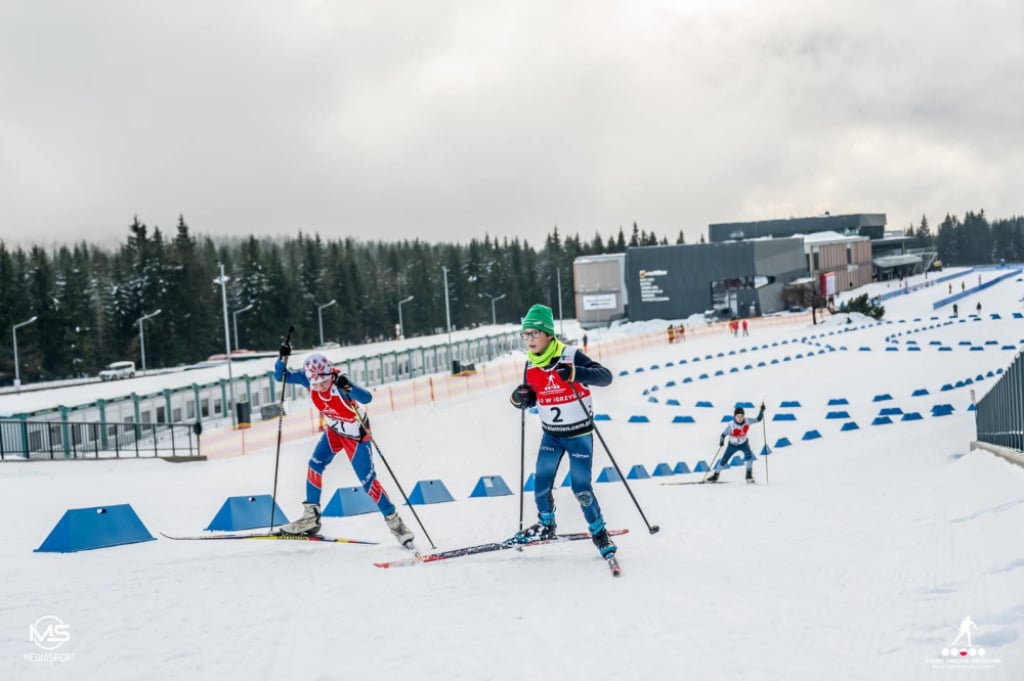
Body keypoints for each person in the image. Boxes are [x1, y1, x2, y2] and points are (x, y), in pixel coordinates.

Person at [273, 346, 416, 549]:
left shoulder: (339, 383)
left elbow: (367, 398)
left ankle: (397, 525)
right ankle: (310, 517)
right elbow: (282, 376)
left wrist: (349, 386)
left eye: (324, 381)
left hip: (356, 436)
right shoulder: (309, 379)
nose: (320, 386)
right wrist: (281, 359)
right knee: (314, 465)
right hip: (334, 431)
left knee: (368, 482)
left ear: (330, 373)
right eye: (316, 383)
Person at [509, 304, 617, 559]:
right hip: (553, 435)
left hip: (579, 435)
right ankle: (547, 524)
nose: (529, 340)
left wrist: (575, 373)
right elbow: (531, 397)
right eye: (526, 335)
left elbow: (605, 377)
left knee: (581, 487)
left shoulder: (571, 355)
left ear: (548, 334)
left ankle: (600, 533)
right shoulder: (530, 366)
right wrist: (519, 398)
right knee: (541, 483)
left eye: (534, 334)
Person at [708, 404, 766, 484]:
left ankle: (748, 475)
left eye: (741, 416)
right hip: (732, 445)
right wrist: (721, 441)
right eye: (738, 416)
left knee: (749, 458)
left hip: (744, 444)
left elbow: (758, 419)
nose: (740, 418)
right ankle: (715, 475)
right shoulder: (731, 425)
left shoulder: (747, 421)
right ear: (734, 416)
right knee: (724, 460)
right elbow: (723, 434)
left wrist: (762, 411)